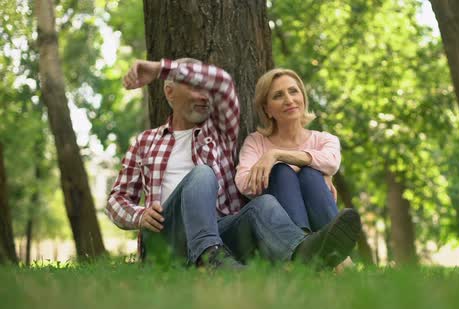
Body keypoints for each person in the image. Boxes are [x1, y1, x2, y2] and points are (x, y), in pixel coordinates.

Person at [106, 58, 360, 270]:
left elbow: (223, 84)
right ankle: (210, 259)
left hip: (220, 232)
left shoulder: (220, 134)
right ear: (169, 92)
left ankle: (303, 252)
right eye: (195, 87)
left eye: (207, 90)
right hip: (166, 234)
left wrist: (314, 170)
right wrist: (139, 215)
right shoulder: (145, 142)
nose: (204, 96)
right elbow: (117, 199)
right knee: (202, 174)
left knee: (265, 204)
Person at [235, 68, 361, 267]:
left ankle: (334, 260)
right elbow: (243, 183)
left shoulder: (324, 139)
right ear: (267, 109)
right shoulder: (256, 142)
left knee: (310, 175)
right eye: (278, 95)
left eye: (294, 91)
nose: (288, 100)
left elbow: (331, 162)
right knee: (282, 173)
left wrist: (276, 155)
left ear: (303, 97)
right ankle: (303, 249)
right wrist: (311, 169)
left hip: (318, 225)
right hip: (275, 236)